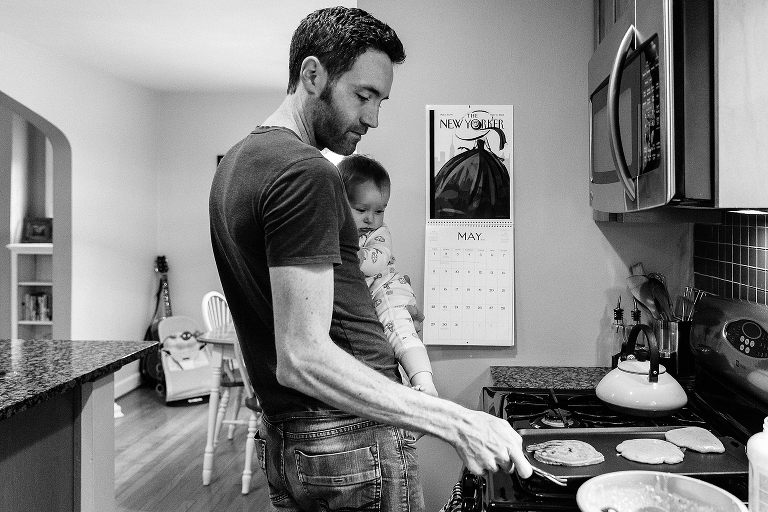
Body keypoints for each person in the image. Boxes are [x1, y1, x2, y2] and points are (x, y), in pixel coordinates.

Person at [209, 6, 531, 511]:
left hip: (288, 437)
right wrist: (454, 420)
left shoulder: (234, 167)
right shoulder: (305, 173)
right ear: (312, 74)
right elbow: (303, 356)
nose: (373, 118)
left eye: (381, 99)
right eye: (363, 95)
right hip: (348, 441)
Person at [338, 154, 438, 397]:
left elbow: (377, 260)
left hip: (387, 289)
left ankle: (425, 383)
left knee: (401, 331)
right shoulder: (335, 233)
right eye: (361, 209)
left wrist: (355, 254)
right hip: (368, 302)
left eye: (380, 210)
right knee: (392, 338)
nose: (371, 218)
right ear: (338, 203)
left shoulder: (379, 233)